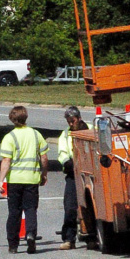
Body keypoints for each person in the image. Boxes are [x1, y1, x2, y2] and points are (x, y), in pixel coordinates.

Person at [0, 105, 49, 254]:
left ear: (12, 119)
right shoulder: (35, 134)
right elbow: (44, 157)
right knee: (31, 209)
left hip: (14, 180)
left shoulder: (9, 137)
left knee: (14, 212)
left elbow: (6, 160)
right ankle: (31, 234)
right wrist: (43, 174)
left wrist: (1, 180)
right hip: (31, 179)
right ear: (25, 118)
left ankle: (13, 244)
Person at [57, 106, 88, 250]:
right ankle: (69, 239)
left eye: (72, 121)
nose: (70, 124)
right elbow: (62, 153)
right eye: (68, 122)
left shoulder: (90, 129)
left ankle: (91, 237)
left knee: (89, 207)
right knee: (70, 207)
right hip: (73, 174)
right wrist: (68, 163)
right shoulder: (65, 135)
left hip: (90, 173)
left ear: (79, 118)